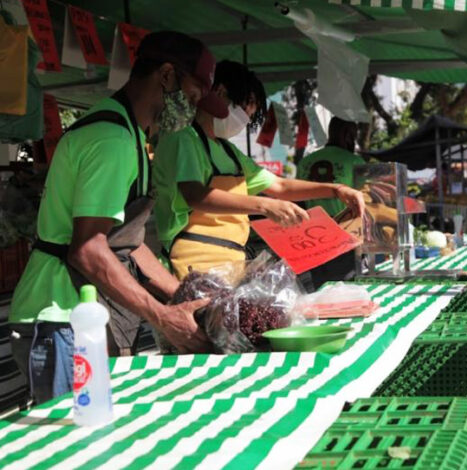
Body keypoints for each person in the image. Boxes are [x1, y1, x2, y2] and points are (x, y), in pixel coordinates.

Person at [8, 32, 222, 403]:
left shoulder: (133, 137)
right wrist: (162, 317)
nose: (193, 109)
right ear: (167, 76)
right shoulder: (112, 141)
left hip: (82, 314)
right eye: (191, 96)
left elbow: (126, 241)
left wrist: (189, 297)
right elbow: (89, 251)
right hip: (60, 317)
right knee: (73, 450)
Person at [154, 61, 364, 280]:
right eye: (246, 107)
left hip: (231, 263)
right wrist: (264, 205)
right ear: (220, 91)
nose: (246, 118)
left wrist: (337, 189)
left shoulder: (229, 151)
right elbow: (195, 195)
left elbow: (280, 186)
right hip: (190, 264)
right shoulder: (183, 138)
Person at [297, 117, 366, 218]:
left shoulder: (304, 162)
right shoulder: (356, 162)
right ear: (347, 135)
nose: (353, 142)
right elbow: (364, 200)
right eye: (353, 137)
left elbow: (299, 200)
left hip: (312, 225)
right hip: (343, 225)